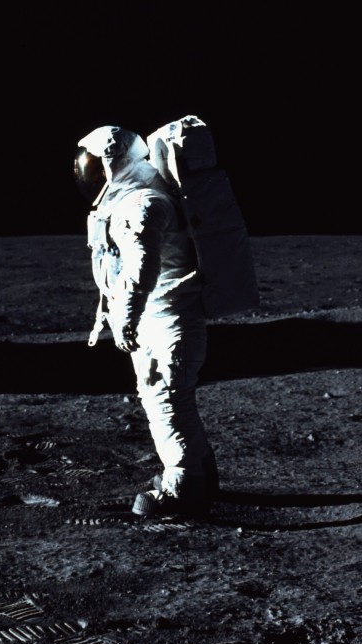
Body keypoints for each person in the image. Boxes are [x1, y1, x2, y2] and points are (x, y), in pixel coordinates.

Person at [74, 125, 218, 517]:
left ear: (112, 167)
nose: (84, 176)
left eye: (90, 168)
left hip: (170, 323)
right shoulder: (138, 200)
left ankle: (184, 487)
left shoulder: (141, 205)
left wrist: (125, 318)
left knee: (166, 401)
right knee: (173, 399)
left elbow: (141, 269)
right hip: (165, 320)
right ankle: (201, 470)